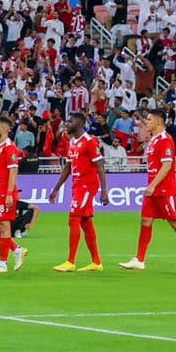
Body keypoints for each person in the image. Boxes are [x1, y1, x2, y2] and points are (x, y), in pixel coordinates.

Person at [121, 107, 176, 271]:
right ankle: (139, 259)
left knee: (175, 222)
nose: (146, 122)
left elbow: (167, 165)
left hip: (164, 189)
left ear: (157, 122)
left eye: (149, 120)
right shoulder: (154, 139)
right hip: (153, 189)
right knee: (146, 220)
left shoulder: (165, 139)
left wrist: (152, 185)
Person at [50, 113, 107, 272]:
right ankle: (96, 262)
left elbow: (100, 166)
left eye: (71, 121)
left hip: (87, 186)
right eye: (67, 121)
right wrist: (56, 189)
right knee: (86, 222)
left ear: (80, 123)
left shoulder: (89, 142)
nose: (67, 124)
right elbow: (67, 168)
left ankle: (70, 261)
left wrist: (104, 191)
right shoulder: (72, 142)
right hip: (77, 186)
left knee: (73, 218)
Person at [0, 116, 28, 274]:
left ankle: (2, 263)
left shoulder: (9, 147)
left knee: (4, 225)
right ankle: (16, 249)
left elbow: (13, 171)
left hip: (4, 192)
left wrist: (9, 194)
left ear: (5, 129)